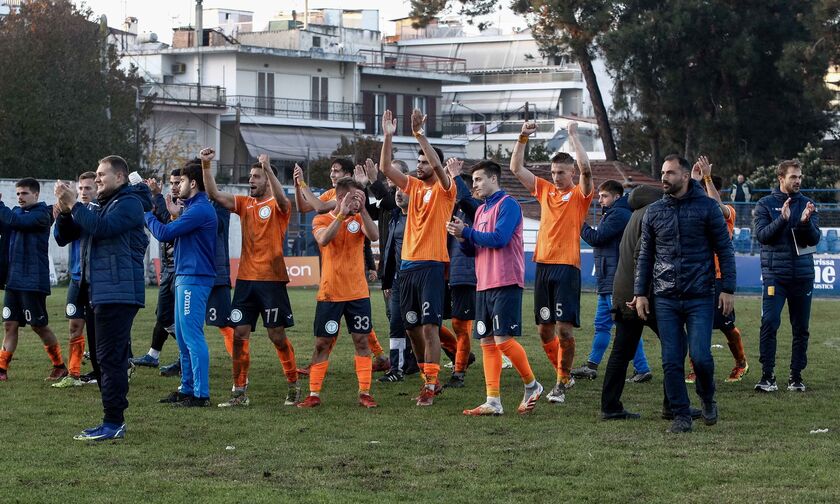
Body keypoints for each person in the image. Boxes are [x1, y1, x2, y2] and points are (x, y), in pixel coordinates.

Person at [630, 154, 736, 434]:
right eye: (663, 173)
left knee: (700, 356)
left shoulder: (708, 208)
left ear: (686, 176)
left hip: (701, 294)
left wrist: (727, 288)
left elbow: (724, 249)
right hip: (665, 297)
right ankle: (681, 415)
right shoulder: (654, 212)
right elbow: (645, 256)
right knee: (671, 359)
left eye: (671, 173)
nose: (664, 177)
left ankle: (707, 396)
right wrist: (640, 293)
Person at [54, 155, 153, 441]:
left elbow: (103, 228)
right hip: (98, 292)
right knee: (101, 360)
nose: (96, 180)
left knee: (110, 359)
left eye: (101, 175)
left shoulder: (129, 203)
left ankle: (113, 422)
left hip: (118, 292)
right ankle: (112, 419)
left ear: (120, 177)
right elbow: (64, 237)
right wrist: (64, 210)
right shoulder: (101, 205)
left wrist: (75, 204)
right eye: (95, 175)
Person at [202, 150, 300, 408]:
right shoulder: (245, 204)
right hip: (245, 280)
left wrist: (268, 168)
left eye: (256, 176)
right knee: (239, 335)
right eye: (251, 176)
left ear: (268, 179)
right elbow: (214, 195)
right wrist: (206, 164)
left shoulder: (279, 206)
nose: (251, 180)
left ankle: (293, 384)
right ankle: (239, 392)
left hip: (272, 280)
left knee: (276, 335)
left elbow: (282, 199)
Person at [448, 161, 543, 416]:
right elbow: (473, 248)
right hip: (484, 282)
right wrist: (461, 236)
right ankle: (493, 401)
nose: (475, 185)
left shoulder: (508, 205)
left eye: (479, 180)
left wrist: (467, 232)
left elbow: (499, 239)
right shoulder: (480, 212)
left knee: (503, 340)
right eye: (474, 181)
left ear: (493, 179)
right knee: (487, 342)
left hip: (505, 280)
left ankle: (532, 385)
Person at [510, 120, 593, 404]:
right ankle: (565, 374)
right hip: (544, 265)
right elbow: (516, 169)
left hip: (567, 267)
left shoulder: (580, 196)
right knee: (544, 329)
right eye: (554, 172)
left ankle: (560, 381)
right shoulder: (545, 190)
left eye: (562, 172)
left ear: (572, 172)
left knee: (563, 328)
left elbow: (587, 169)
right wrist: (523, 136)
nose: (556, 177)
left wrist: (573, 137)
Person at [379, 108, 456, 406]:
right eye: (419, 161)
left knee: (429, 326)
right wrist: (388, 135)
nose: (420, 165)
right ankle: (429, 378)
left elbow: (438, 167)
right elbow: (386, 168)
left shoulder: (444, 190)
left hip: (432, 266)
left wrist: (419, 135)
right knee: (411, 327)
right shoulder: (412, 186)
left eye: (424, 161)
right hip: (407, 268)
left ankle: (430, 384)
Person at [293, 159, 390, 373]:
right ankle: (381, 356)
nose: (332, 175)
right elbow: (305, 207)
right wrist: (297, 185)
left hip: (353, 280)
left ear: (348, 174)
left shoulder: (346, 196)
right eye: (331, 171)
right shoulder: (332, 197)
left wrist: (303, 184)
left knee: (359, 333)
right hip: (333, 283)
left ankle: (373, 369)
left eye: (336, 171)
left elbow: (318, 206)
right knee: (333, 335)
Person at [297, 178, 380, 408]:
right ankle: (314, 394)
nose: (358, 202)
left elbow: (373, 236)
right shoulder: (321, 218)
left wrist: (363, 209)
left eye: (360, 198)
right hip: (330, 293)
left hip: (358, 293)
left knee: (362, 341)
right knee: (322, 343)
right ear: (341, 198)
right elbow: (324, 239)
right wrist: (341, 215)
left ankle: (365, 392)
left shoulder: (359, 217)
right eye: (355, 198)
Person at [145, 162, 217, 407]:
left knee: (193, 337)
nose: (176, 187)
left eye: (181, 182)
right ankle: (187, 389)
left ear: (193, 183)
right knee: (185, 338)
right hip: (185, 276)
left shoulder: (200, 210)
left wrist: (147, 214)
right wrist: (176, 212)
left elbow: (165, 233)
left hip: (194, 278)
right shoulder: (191, 209)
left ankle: (200, 394)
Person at [571, 180, 651, 383]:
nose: (600, 200)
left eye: (604, 196)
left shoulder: (620, 214)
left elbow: (597, 238)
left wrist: (579, 221)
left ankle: (642, 368)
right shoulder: (616, 213)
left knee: (624, 326)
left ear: (616, 196)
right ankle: (592, 365)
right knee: (603, 325)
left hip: (615, 280)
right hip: (608, 278)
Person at [753, 159, 820, 393]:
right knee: (770, 323)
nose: (798, 180)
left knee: (801, 327)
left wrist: (804, 223)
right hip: (775, 277)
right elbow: (762, 236)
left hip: (802, 277)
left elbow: (814, 239)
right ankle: (767, 375)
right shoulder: (765, 204)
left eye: (799, 176)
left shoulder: (808, 204)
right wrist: (782, 218)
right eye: (793, 176)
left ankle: (796, 376)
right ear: (781, 179)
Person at [686, 157, 749, 383]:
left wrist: (707, 177)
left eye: (705, 189)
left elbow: (717, 206)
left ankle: (741, 362)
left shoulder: (727, 212)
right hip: (697, 275)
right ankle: (696, 369)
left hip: (720, 277)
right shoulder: (695, 213)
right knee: (693, 324)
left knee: (725, 324)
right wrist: (694, 178)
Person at [0, 178, 66, 382]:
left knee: (38, 326)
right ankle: (1, 369)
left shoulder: (42, 215)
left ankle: (59, 366)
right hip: (13, 281)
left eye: (24, 193)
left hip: (32, 281)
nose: (20, 197)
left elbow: (17, 222)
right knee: (9, 324)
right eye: (18, 193)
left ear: (36, 195)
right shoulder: (14, 213)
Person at [130, 169, 181, 374]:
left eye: (179, 182)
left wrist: (157, 197)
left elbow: (167, 229)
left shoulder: (187, 205)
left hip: (182, 268)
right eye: (173, 182)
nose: (176, 186)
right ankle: (154, 355)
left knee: (179, 318)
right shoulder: (170, 202)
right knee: (163, 315)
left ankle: (185, 357)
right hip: (169, 267)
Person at [51, 172, 97, 388]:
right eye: (80, 189)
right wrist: (63, 215)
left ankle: (116, 368)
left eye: (88, 188)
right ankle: (74, 373)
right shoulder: (74, 212)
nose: (83, 192)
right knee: (74, 326)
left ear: (97, 189)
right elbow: (61, 239)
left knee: (102, 330)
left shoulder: (98, 213)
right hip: (77, 280)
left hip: (97, 281)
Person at [376, 170, 420, 383]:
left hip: (419, 280)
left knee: (420, 327)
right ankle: (397, 369)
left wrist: (373, 183)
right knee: (396, 324)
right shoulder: (394, 218)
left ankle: (429, 369)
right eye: (396, 190)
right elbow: (390, 252)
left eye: (404, 190)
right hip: (398, 281)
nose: (399, 194)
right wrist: (387, 279)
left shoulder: (422, 218)